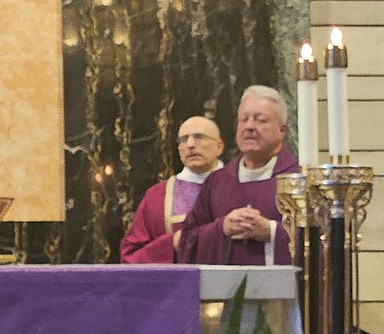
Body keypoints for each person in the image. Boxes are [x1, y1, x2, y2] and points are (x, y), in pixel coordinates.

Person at [178, 85, 300, 265]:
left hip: (283, 292)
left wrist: (271, 232)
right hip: (224, 292)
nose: (250, 126)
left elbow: (323, 241)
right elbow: (188, 240)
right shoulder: (217, 182)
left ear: (282, 130)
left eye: (261, 120)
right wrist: (222, 228)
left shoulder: (299, 181)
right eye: (244, 119)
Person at [120, 116, 225, 263]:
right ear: (179, 149)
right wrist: (171, 244)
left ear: (219, 146)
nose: (190, 144)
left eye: (199, 137)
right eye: (183, 139)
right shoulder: (157, 197)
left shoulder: (239, 187)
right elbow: (131, 257)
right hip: (178, 284)